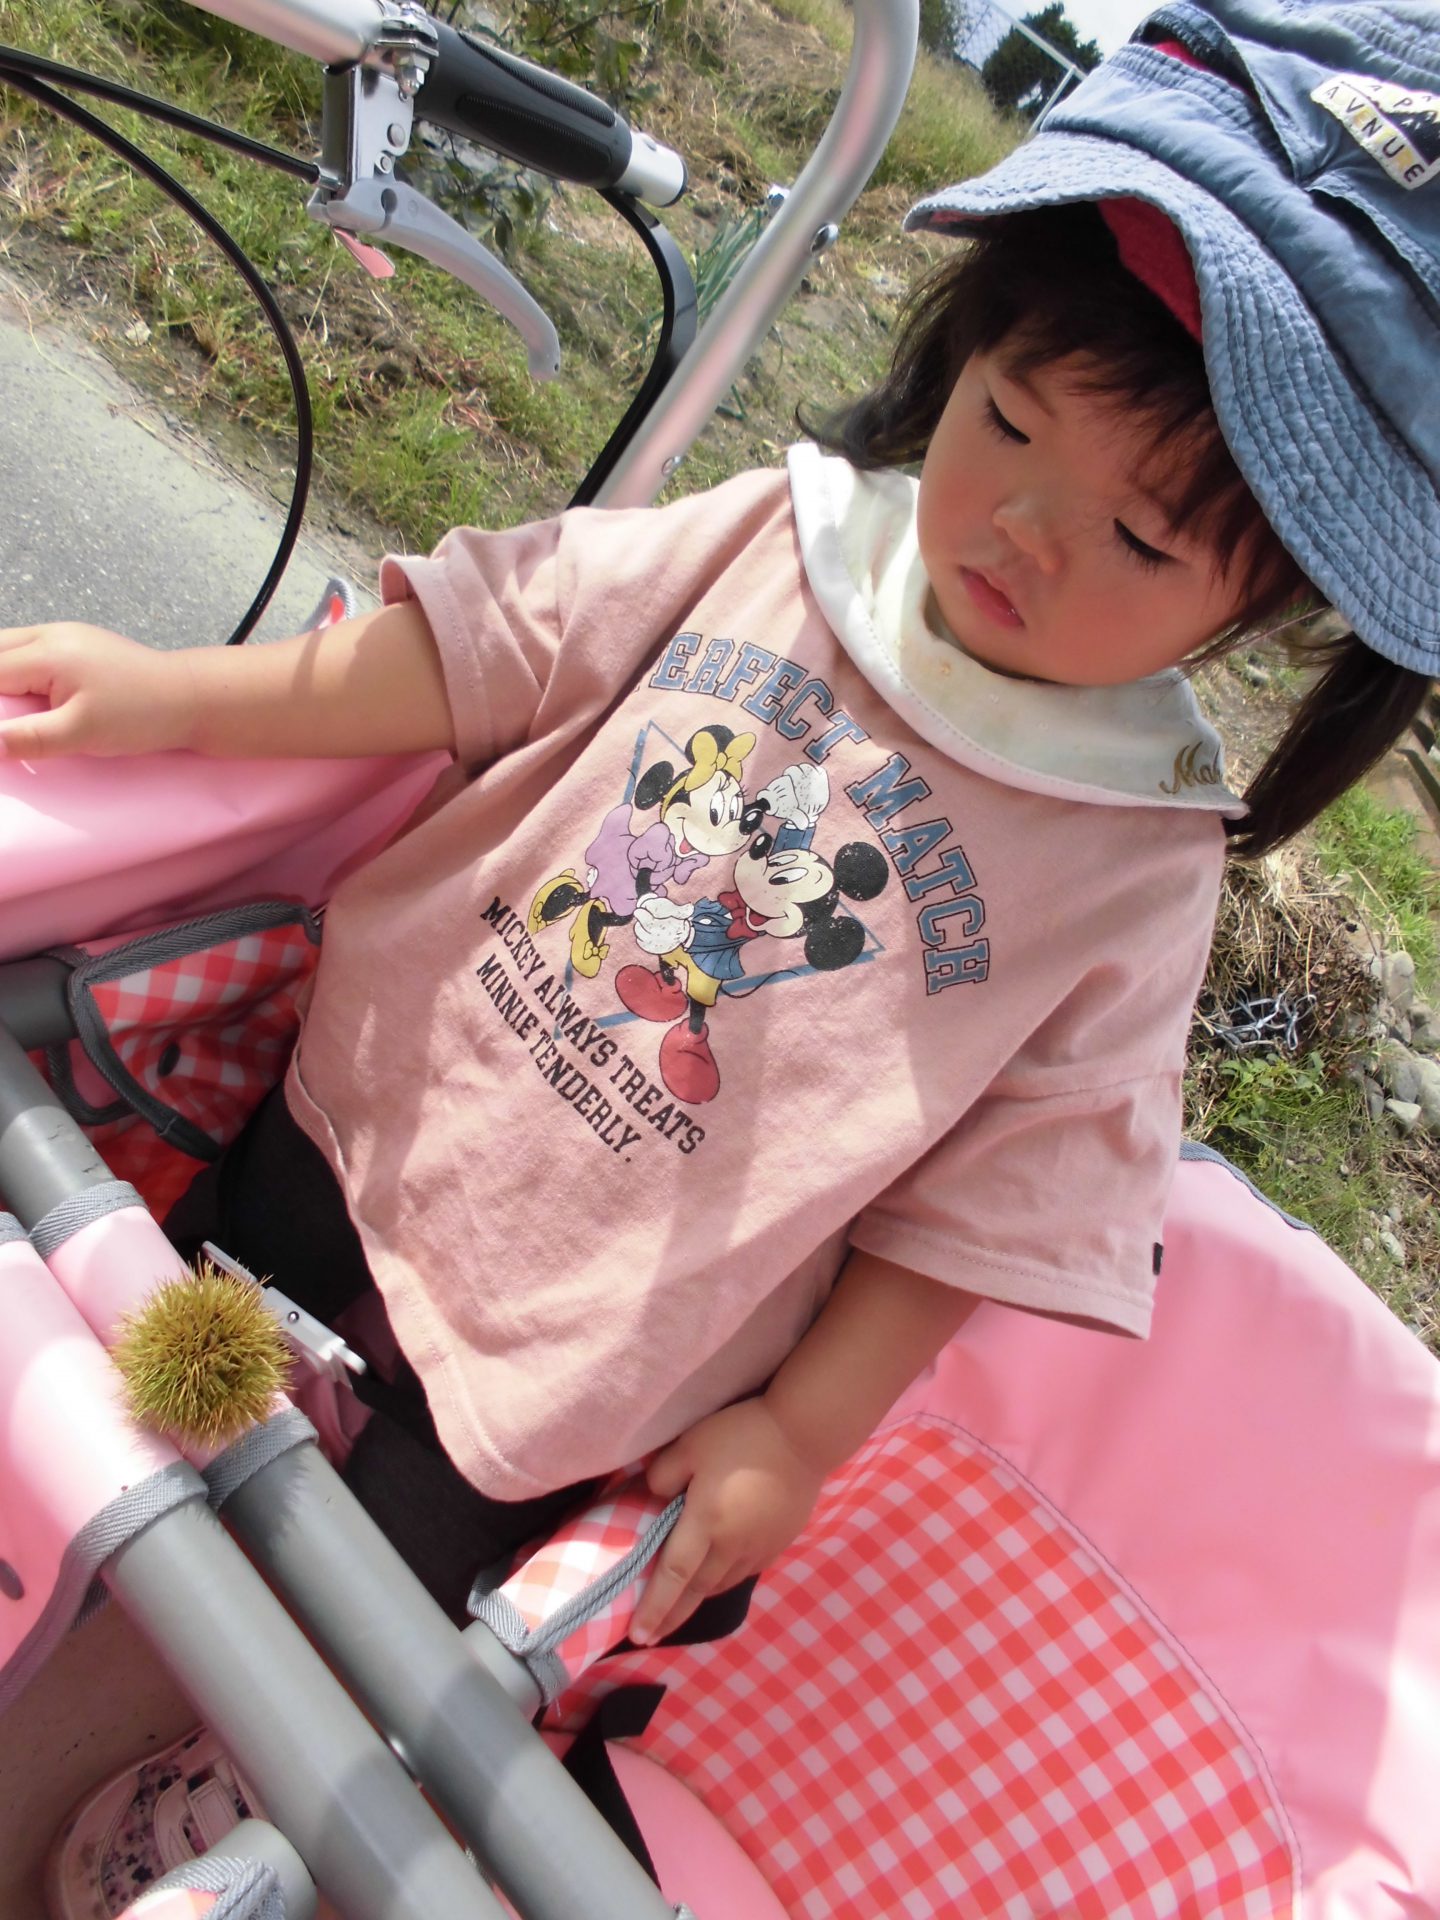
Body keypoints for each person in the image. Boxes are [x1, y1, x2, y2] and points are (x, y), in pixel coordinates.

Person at [0, 1, 1433, 1643]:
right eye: (1010, 424)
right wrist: (180, 696)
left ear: (1265, 613)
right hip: (352, 1113)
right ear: (960, 356)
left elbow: (998, 1206)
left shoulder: (1131, 863)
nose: (1024, 530)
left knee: (294, 1652)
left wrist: (800, 1436)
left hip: (581, 1363)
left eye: (1141, 541)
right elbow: (489, 641)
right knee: (116, 1457)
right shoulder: (787, 539)